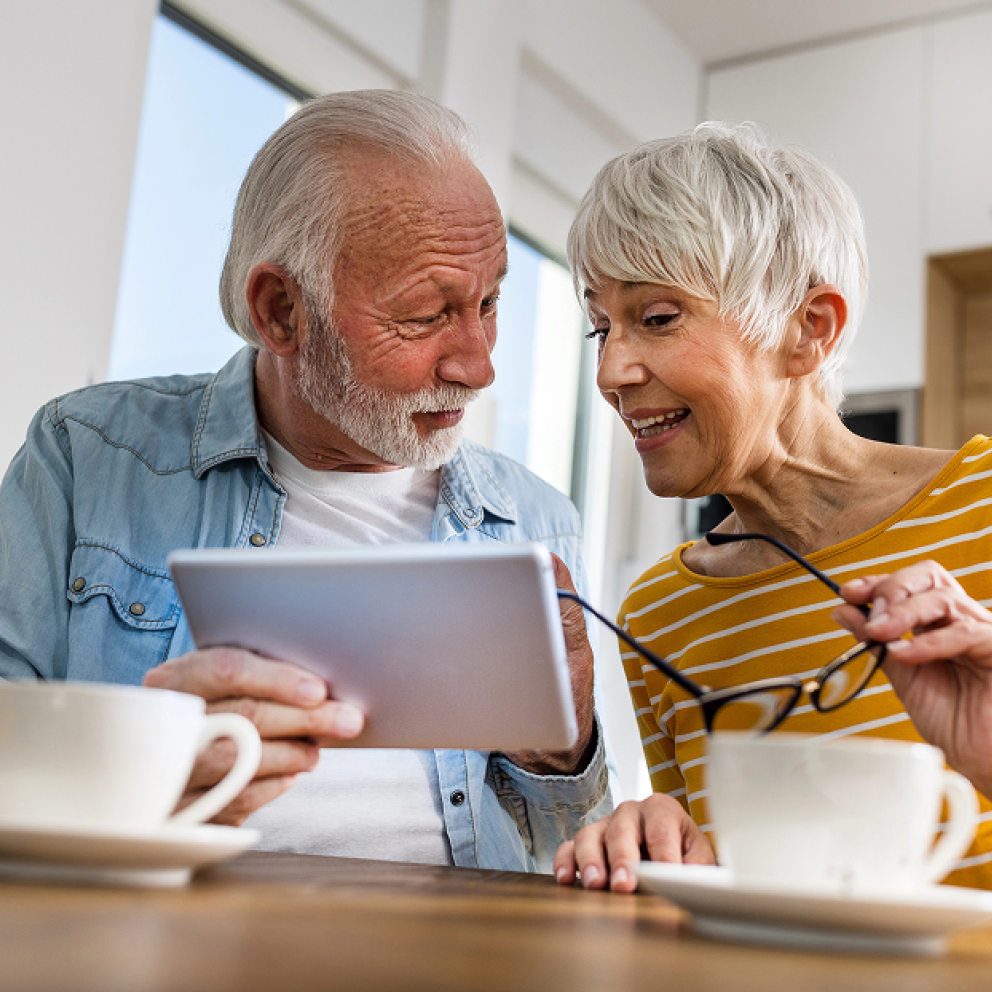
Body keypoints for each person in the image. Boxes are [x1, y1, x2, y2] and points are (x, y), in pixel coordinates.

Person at [0, 90, 610, 872]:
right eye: (427, 315)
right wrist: (131, 782)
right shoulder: (86, 457)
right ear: (281, 311)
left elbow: (574, 846)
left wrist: (567, 756)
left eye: (489, 303)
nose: (479, 365)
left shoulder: (536, 517)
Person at [551, 122, 992, 892]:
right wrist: (653, 845)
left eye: (658, 319)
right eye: (600, 327)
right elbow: (726, 889)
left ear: (808, 332)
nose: (612, 371)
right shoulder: (660, 611)